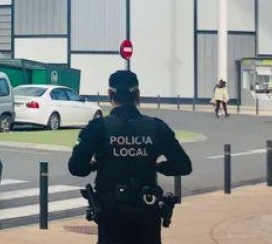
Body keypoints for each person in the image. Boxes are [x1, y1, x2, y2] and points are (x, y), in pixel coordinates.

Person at [69, 70, 192, 244]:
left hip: (111, 215)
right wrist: (157, 166)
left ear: (110, 94)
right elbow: (183, 166)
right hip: (147, 211)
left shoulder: (98, 128)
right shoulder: (156, 127)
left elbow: (76, 167)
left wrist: (96, 164)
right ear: (138, 95)